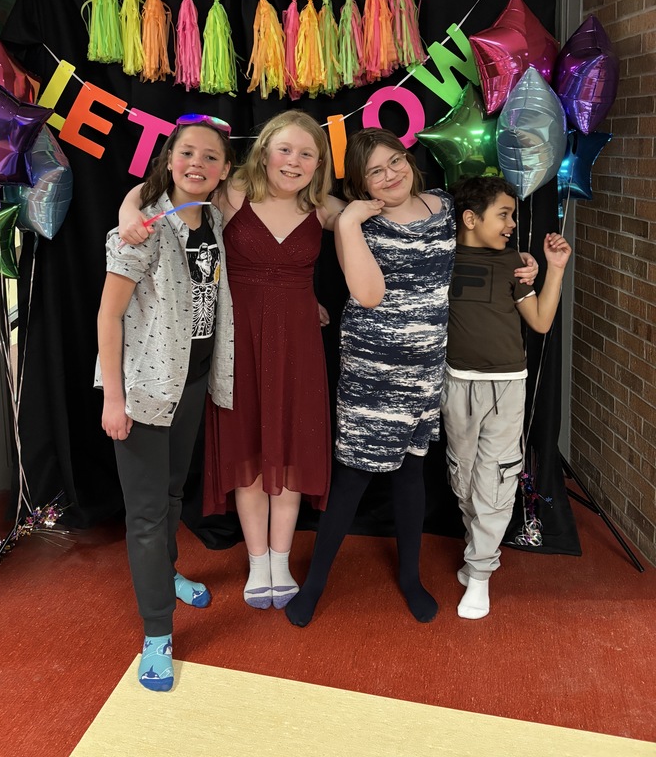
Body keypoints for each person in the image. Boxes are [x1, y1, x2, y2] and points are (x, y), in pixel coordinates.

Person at [285, 130, 538, 629]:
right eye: (375, 172)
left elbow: (482, 247)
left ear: (409, 160)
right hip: (372, 369)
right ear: (361, 184)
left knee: (410, 472)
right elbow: (366, 292)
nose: (391, 175)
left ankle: (409, 577)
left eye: (395, 161)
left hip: (426, 369)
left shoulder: (444, 207)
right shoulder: (355, 221)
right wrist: (352, 222)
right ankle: (315, 583)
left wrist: (520, 263)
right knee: (353, 476)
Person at [119, 111, 343, 611]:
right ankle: (257, 560)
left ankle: (281, 562)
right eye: (285, 149)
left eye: (307, 154)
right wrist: (126, 213)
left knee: (288, 450)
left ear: (319, 165)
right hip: (236, 343)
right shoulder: (229, 194)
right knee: (248, 453)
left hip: (298, 346)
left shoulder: (323, 207)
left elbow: (372, 214)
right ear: (264, 151)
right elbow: (156, 193)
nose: (295, 161)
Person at [96, 114, 234, 692]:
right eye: (187, 154)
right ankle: (158, 632)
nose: (197, 164)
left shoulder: (218, 220)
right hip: (144, 390)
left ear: (224, 170)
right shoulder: (143, 230)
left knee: (175, 490)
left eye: (209, 157)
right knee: (148, 515)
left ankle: (167, 575)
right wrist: (115, 398)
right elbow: (109, 315)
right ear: (169, 160)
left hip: (191, 383)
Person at [441, 176, 571, 620]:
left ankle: (480, 574)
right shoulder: (440, 258)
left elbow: (539, 321)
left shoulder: (516, 262)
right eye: (504, 214)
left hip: (506, 387)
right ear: (470, 219)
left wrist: (553, 268)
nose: (512, 223)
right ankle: (477, 551)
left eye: (513, 215)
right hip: (455, 384)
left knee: (496, 478)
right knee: (463, 477)